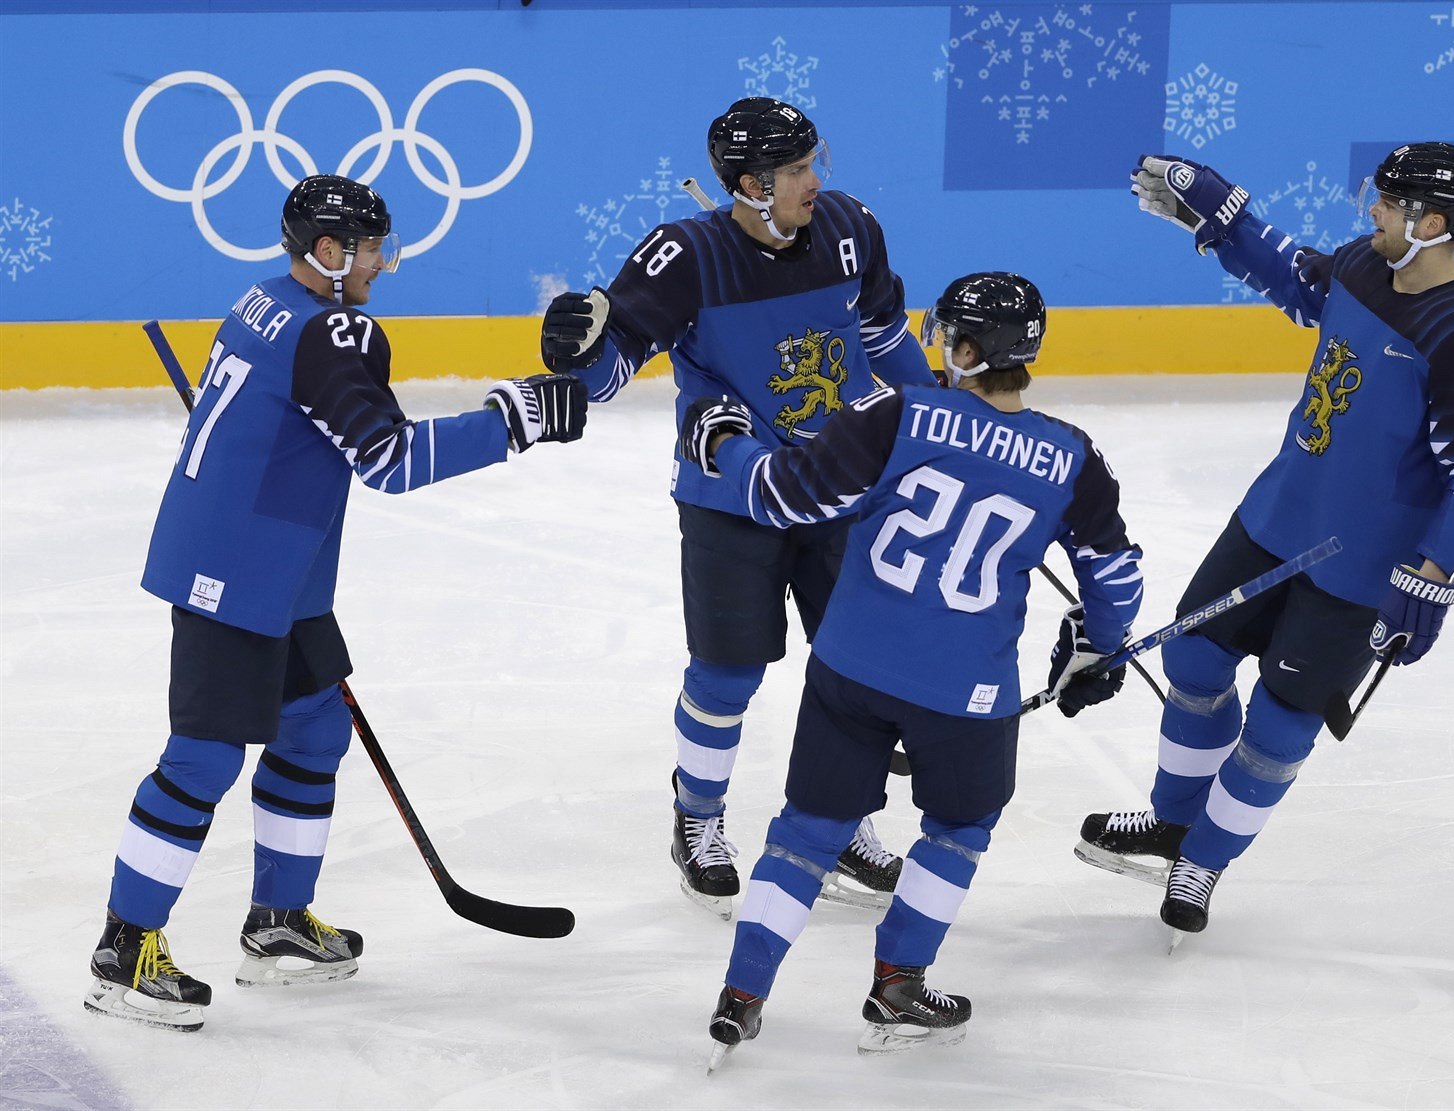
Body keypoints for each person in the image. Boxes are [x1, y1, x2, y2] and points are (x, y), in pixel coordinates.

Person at [83, 174, 588, 1032]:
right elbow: (389, 459)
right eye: (373, 248)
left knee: (314, 728)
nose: (383, 264)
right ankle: (123, 950)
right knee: (203, 759)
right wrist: (514, 418)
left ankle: (277, 921)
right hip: (235, 570)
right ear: (328, 251)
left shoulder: (265, 300)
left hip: (275, 563)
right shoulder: (335, 331)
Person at [676, 272, 1145, 1065]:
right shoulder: (1073, 456)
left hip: (851, 664)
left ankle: (741, 995)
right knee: (958, 829)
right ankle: (899, 984)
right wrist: (1097, 645)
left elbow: (784, 497)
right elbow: (1116, 577)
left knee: (807, 830)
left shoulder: (894, 411)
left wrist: (725, 440)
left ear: (968, 350)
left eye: (947, 336)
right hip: (967, 693)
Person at [1077, 142, 1454, 938]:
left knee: (1281, 724)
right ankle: (1174, 821)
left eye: (1390, 202)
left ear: (1433, 223)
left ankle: (1204, 858)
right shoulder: (1364, 265)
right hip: (1277, 515)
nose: (1373, 209)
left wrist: (1429, 575)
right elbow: (1300, 282)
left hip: (1359, 566)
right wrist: (1228, 222)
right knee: (1193, 657)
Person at [539, 97, 938, 917]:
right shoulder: (684, 256)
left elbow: (883, 334)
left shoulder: (850, 227)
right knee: (726, 675)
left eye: (813, 162)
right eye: (794, 171)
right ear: (751, 185)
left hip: (840, 487)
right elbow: (610, 372)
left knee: (857, 669)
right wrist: (576, 353)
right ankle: (698, 818)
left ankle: (843, 821)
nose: (813, 181)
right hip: (731, 495)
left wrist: (943, 420)